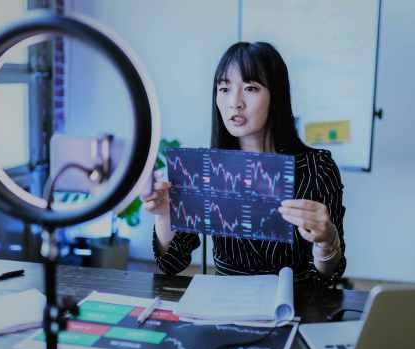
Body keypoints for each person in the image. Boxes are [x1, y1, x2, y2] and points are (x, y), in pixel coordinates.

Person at [143, 42, 346, 287]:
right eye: (224, 88)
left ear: (276, 95)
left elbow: (328, 275)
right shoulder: (204, 168)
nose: (234, 102)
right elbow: (171, 264)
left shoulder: (318, 167)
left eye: (250, 88)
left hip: (295, 305)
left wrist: (326, 241)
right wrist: (165, 216)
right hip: (225, 307)